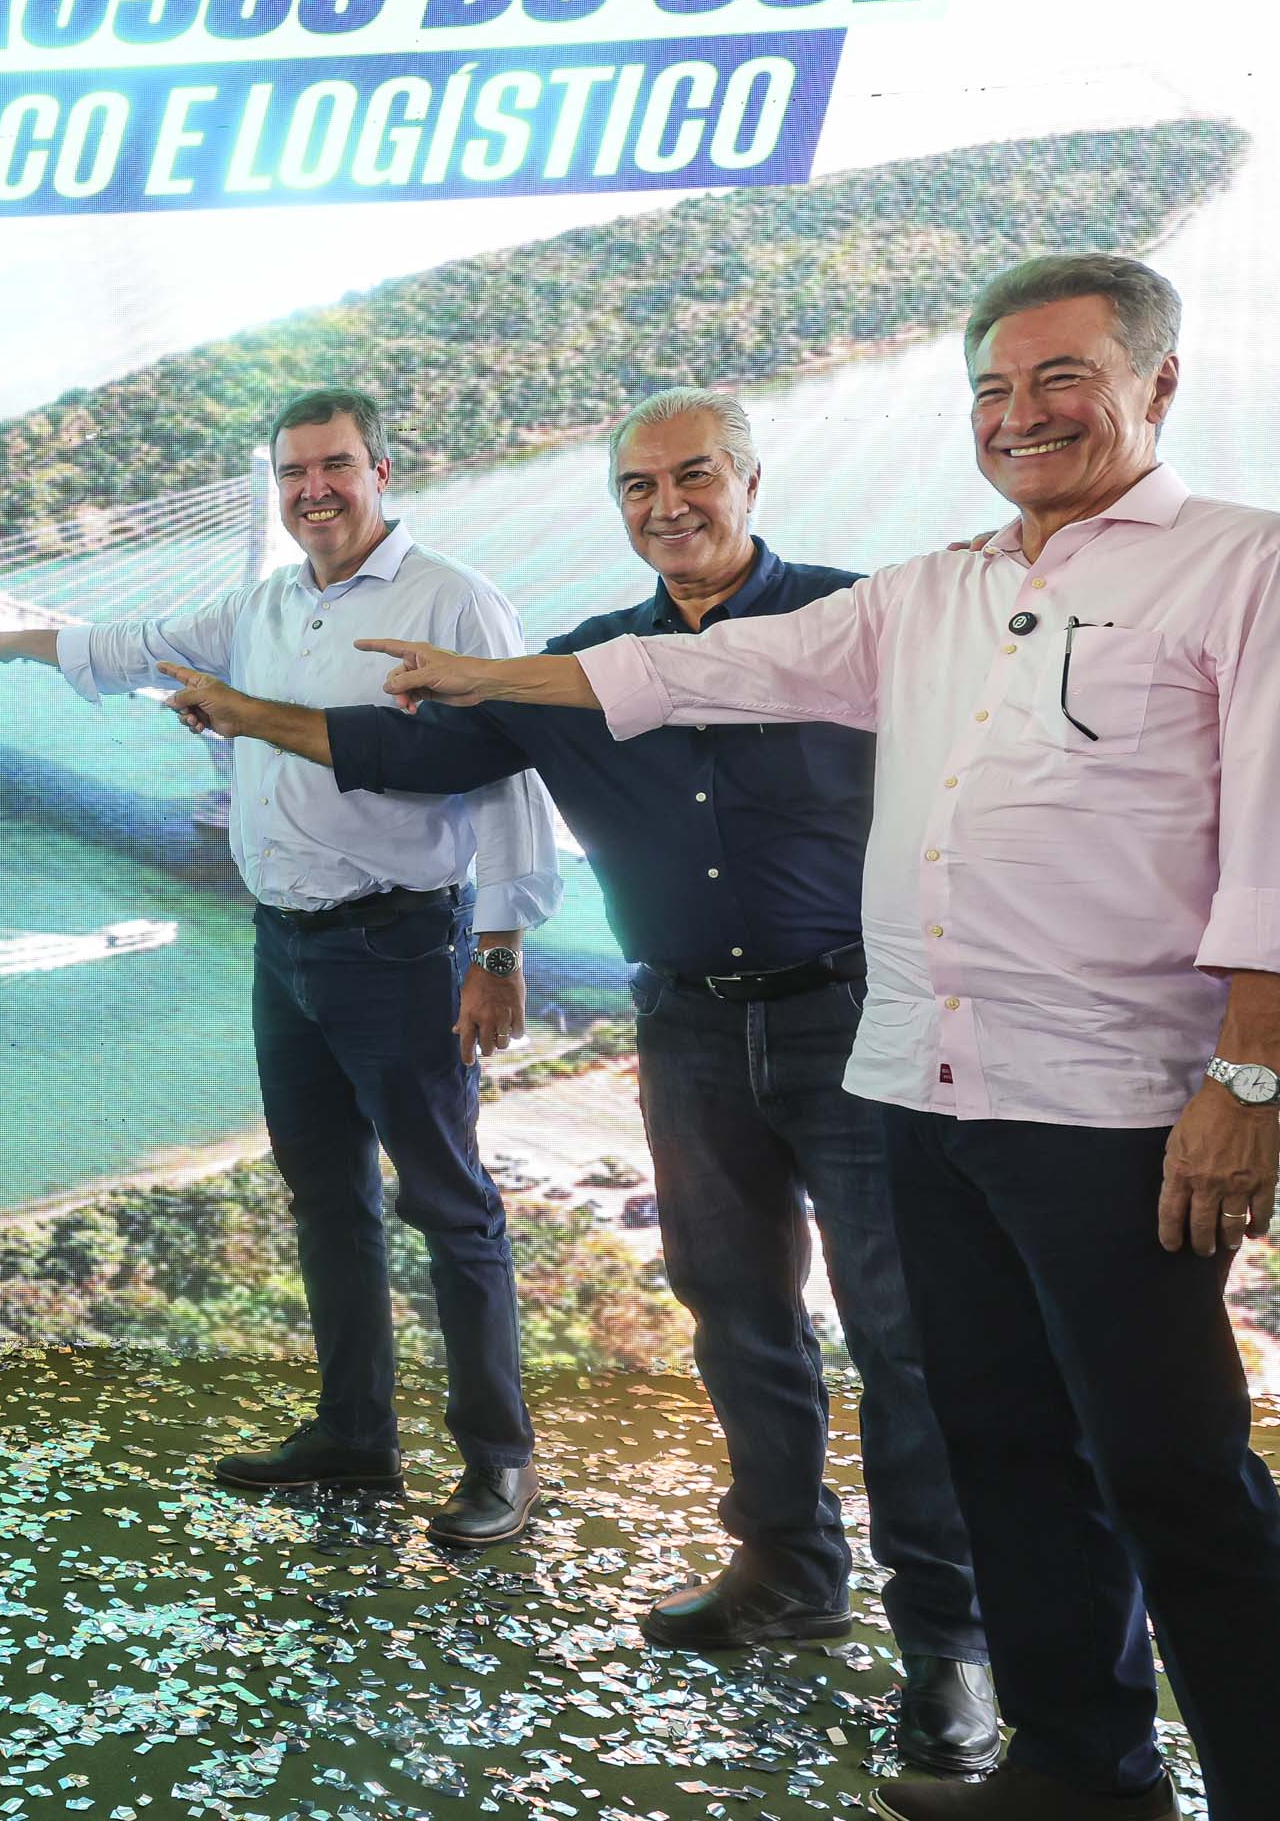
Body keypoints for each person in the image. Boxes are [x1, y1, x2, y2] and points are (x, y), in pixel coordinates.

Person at [357, 256, 1280, 1821]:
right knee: (999, 1445)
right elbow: (713, 665)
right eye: (993, 389)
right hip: (922, 1084)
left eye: (1061, 378)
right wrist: (491, 677)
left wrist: (1251, 1076)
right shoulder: (938, 590)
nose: (1021, 414)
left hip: (1115, 1105)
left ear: (1159, 384)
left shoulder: (1242, 567)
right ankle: (1080, 1771)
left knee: (1174, 1470)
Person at [152, 388, 994, 1769]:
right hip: (688, 1030)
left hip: (860, 1018)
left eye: (695, 476)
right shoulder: (582, 666)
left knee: (904, 1337)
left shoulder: (858, 619)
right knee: (736, 1313)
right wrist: (251, 714)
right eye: (638, 488)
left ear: (753, 478)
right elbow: (417, 753)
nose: (669, 506)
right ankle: (788, 1570)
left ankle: (951, 1643)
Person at [0, 385, 561, 1548]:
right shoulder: (265, 604)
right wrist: (6, 640)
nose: (313, 489)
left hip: (401, 945)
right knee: (326, 1197)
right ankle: (355, 1434)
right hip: (287, 947)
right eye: (292, 471)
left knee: (448, 1201)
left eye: (335, 465)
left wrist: (501, 949)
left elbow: (507, 775)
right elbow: (130, 648)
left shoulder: (454, 600)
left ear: (381, 471)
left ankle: (501, 1459)